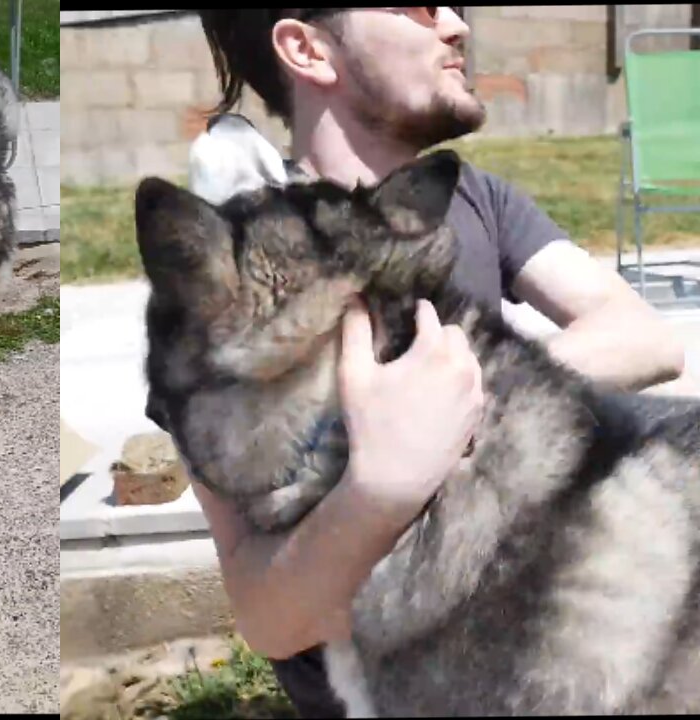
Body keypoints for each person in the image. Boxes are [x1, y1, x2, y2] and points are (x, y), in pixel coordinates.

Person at [186, 7, 687, 718]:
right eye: (420, 7)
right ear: (307, 47)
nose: (456, 25)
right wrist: (379, 488)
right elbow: (269, 618)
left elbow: (644, 337)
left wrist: (457, 394)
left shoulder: (477, 199)